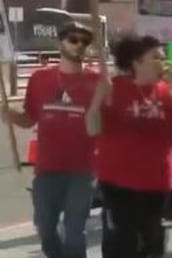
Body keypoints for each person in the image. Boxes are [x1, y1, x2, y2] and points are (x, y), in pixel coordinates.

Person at [87, 35, 172, 258]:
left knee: (151, 241)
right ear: (136, 63)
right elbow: (92, 128)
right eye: (156, 58)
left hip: (156, 183)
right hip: (118, 183)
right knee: (122, 243)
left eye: (163, 58)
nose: (163, 63)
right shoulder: (114, 88)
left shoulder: (166, 91)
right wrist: (97, 100)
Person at [1, 22, 98, 258]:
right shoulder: (39, 78)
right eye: (73, 39)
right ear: (60, 42)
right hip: (47, 169)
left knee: (74, 231)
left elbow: (104, 126)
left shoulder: (98, 82)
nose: (79, 45)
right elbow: (29, 119)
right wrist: (8, 114)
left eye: (84, 41)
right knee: (46, 230)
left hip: (82, 170)